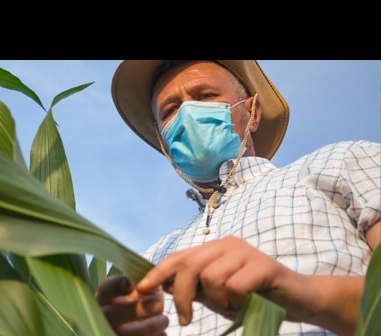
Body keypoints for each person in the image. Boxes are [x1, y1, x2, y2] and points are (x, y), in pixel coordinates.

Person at [96, 60, 380, 336]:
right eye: (170, 111)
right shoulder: (150, 260)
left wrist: (300, 292)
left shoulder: (341, 163)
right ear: (165, 144)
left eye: (205, 95)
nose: (187, 114)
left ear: (253, 113)